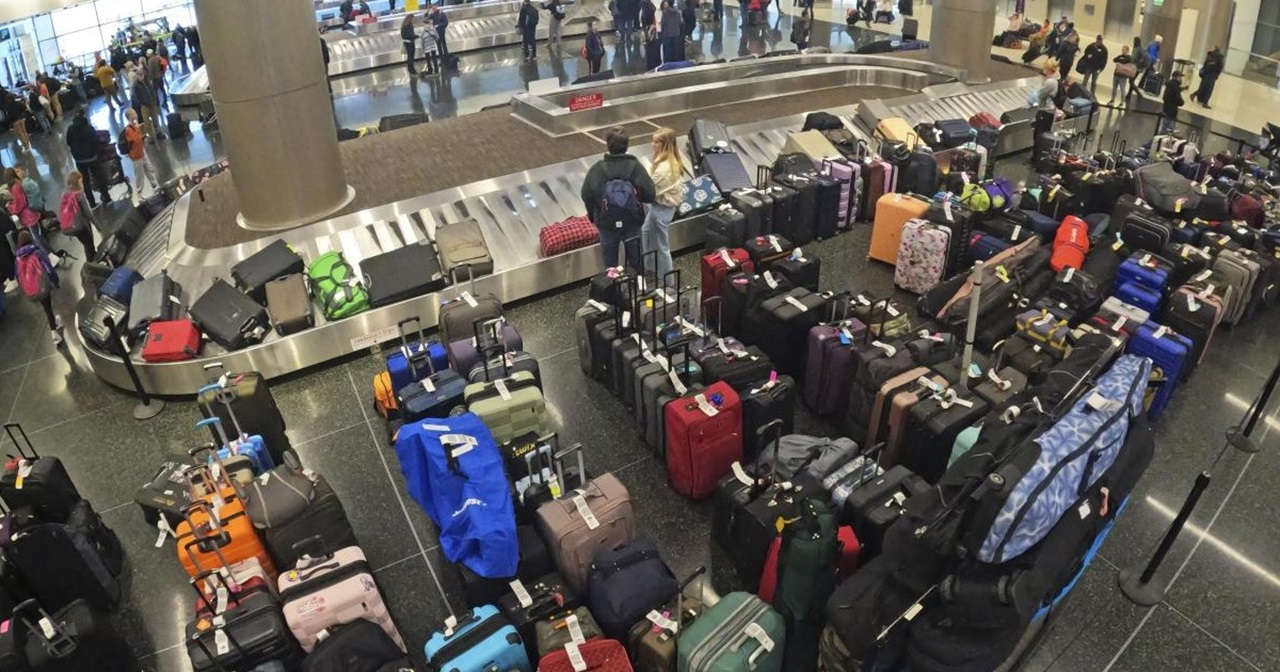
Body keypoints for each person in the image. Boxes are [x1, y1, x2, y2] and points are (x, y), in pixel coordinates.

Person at [580, 127, 656, 269]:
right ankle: (640, 282)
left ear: (608, 144)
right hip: (632, 222)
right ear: (627, 145)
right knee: (636, 258)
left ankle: (613, 287)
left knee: (610, 263)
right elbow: (650, 194)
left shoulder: (597, 169)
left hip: (606, 223)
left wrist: (594, 216)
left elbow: (586, 194)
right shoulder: (636, 167)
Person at [643, 128, 686, 279]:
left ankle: (667, 280)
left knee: (661, 246)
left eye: (656, 142)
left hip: (661, 209)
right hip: (659, 207)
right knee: (646, 233)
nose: (652, 144)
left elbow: (650, 190)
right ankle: (649, 269)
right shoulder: (664, 160)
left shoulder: (665, 168)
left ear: (665, 144)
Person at [14, 230, 63, 346]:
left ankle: (55, 323)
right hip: (42, 286)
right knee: (48, 308)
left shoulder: (17, 258)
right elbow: (49, 269)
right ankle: (54, 334)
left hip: (30, 290)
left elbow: (18, 276)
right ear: (31, 238)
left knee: (47, 307)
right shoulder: (37, 252)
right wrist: (56, 282)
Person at [66, 109, 112, 208]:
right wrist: (96, 152)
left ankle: (92, 203)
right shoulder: (88, 128)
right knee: (99, 177)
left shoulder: (70, 129)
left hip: (79, 160)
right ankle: (107, 198)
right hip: (92, 158)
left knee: (85, 181)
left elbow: (68, 142)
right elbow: (96, 140)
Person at [59, 172, 98, 260]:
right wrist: (97, 225)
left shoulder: (65, 195)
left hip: (71, 227)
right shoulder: (79, 195)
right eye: (81, 182)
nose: (82, 184)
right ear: (77, 183)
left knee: (86, 244)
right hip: (81, 226)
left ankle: (93, 260)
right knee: (89, 246)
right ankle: (92, 265)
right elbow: (88, 214)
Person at [123, 108, 159, 197]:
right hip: (136, 155)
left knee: (149, 168)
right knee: (139, 174)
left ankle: (155, 185)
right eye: (133, 114)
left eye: (135, 113)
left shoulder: (135, 126)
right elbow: (135, 140)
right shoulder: (128, 129)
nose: (135, 115)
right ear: (129, 117)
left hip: (142, 151)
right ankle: (139, 192)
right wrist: (142, 134)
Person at [131, 68, 165, 141]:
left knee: (155, 119)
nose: (141, 77)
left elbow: (152, 90)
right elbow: (136, 97)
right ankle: (151, 136)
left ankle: (158, 133)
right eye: (139, 75)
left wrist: (154, 99)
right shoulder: (135, 85)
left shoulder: (147, 81)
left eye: (142, 75)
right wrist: (143, 103)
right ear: (137, 76)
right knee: (147, 122)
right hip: (144, 105)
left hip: (152, 103)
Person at [0, 88, 30, 153]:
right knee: (24, 132)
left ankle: (26, 147)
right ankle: (28, 144)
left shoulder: (8, 107)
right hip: (21, 119)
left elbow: (9, 116)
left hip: (15, 121)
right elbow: (24, 107)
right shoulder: (17, 103)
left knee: (20, 134)